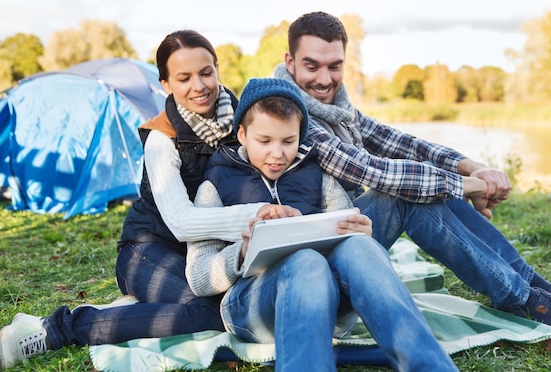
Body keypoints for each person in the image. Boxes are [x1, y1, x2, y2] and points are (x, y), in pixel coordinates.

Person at [0, 30, 300, 369]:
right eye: (184, 78)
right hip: (148, 250)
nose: (198, 86)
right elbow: (181, 222)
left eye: (205, 73)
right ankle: (57, 328)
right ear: (166, 84)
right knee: (210, 313)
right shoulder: (161, 138)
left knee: (241, 305)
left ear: (217, 69)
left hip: (206, 258)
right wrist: (258, 214)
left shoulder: (243, 123)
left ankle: (132, 310)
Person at [272, 11, 551, 332]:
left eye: (335, 66)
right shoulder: (287, 113)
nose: (324, 79)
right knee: (406, 193)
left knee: (427, 184)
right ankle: (522, 299)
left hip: (344, 239)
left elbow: (398, 142)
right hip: (312, 271)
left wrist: (473, 167)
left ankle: (532, 284)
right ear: (291, 61)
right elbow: (370, 170)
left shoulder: (336, 107)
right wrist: (471, 186)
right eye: (312, 66)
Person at [186, 77, 459, 372]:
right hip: (251, 307)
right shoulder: (215, 186)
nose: (277, 153)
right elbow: (199, 277)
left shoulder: (318, 176)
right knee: (305, 260)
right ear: (242, 134)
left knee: (360, 247)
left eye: (288, 141)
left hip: (324, 305)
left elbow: (345, 231)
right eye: (264, 141)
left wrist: (361, 234)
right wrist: (243, 251)